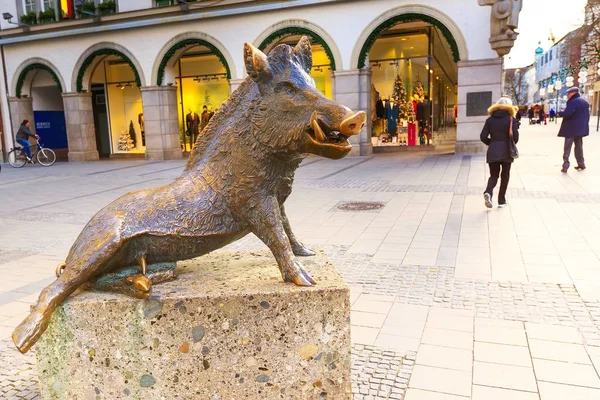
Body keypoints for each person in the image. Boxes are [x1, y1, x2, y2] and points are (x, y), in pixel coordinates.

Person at [480, 97, 519, 208]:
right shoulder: (511, 119)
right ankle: (501, 200)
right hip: (507, 151)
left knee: (494, 175)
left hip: (493, 151)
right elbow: (515, 138)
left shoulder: (490, 120)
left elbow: (483, 136)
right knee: (505, 175)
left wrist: (492, 143)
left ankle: (488, 192)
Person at [558, 87, 589, 172]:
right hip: (580, 129)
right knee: (579, 147)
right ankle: (581, 164)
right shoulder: (584, 102)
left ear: (573, 93)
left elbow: (568, 113)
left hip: (571, 129)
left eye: (569, 93)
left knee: (567, 148)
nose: (568, 95)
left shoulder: (572, 102)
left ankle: (565, 165)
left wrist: (560, 113)